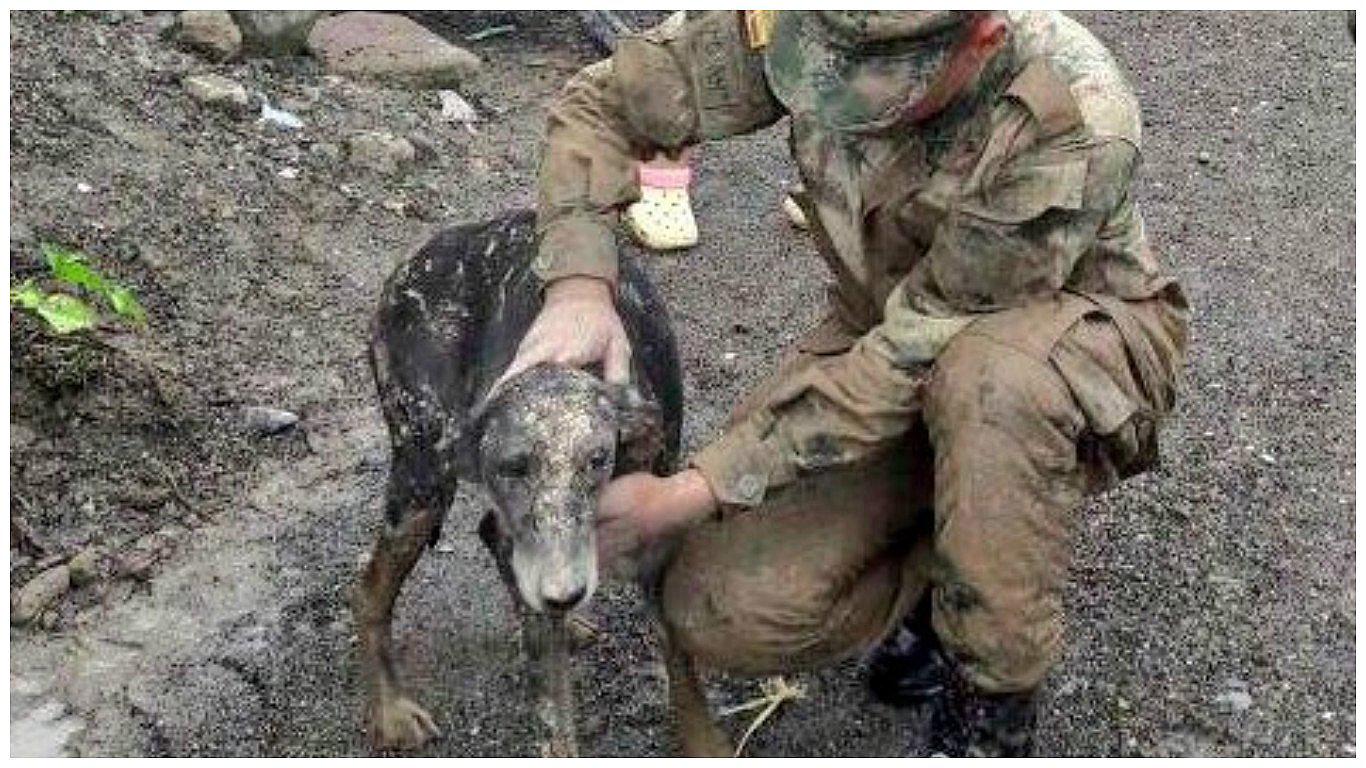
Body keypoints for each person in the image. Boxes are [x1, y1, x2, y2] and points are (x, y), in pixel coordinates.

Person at [499, 10, 1188, 756]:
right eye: (823, 61)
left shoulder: (1068, 110)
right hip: (886, 330)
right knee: (714, 608)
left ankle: (989, 706)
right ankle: (944, 548)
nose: (838, 96)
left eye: (882, 83)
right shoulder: (810, 20)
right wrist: (579, 283)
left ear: (982, 37)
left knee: (992, 387)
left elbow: (921, 349)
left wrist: (694, 489)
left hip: (1054, 348)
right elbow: (603, 102)